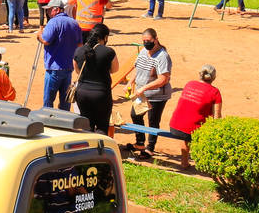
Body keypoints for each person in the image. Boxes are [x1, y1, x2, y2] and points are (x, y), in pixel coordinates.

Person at [127, 28, 173, 156]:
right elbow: (138, 69)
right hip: (141, 94)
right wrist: (130, 82)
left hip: (157, 95)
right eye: (144, 41)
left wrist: (144, 88)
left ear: (156, 39)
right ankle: (140, 143)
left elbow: (163, 80)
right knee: (135, 115)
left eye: (148, 41)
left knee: (153, 121)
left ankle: (150, 148)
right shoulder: (143, 51)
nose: (146, 43)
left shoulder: (162, 56)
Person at [168, 65, 223, 170]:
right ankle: (206, 164)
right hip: (191, 131)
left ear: (200, 75)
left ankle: (184, 162)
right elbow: (217, 117)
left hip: (175, 125)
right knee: (197, 131)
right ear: (214, 78)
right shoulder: (214, 92)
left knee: (186, 131)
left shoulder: (189, 84)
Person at [72, 23, 119, 134]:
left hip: (82, 93)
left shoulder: (78, 51)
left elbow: (77, 71)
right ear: (105, 37)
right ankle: (100, 150)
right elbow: (115, 69)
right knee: (102, 127)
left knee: (87, 126)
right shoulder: (109, 52)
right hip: (101, 94)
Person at [37, 0, 83, 109]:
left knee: (48, 100)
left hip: (54, 68)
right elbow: (80, 45)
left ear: (56, 9)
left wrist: (39, 36)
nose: (47, 13)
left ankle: (48, 121)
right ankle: (64, 121)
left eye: (49, 10)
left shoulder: (53, 22)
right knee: (65, 100)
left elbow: (46, 40)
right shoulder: (74, 23)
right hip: (68, 67)